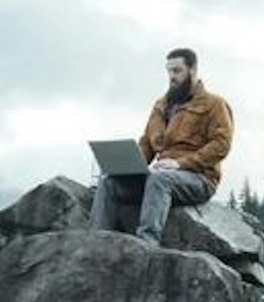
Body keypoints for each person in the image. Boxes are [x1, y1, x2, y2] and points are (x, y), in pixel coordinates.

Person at [91, 47, 235, 244]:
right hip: (161, 176)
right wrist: (130, 167)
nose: (171, 77)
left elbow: (221, 145)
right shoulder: (161, 105)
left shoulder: (214, 104)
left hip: (199, 178)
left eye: (177, 71)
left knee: (160, 179)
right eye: (169, 71)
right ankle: (96, 241)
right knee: (110, 182)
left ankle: (146, 243)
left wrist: (181, 163)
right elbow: (147, 143)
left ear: (192, 71)